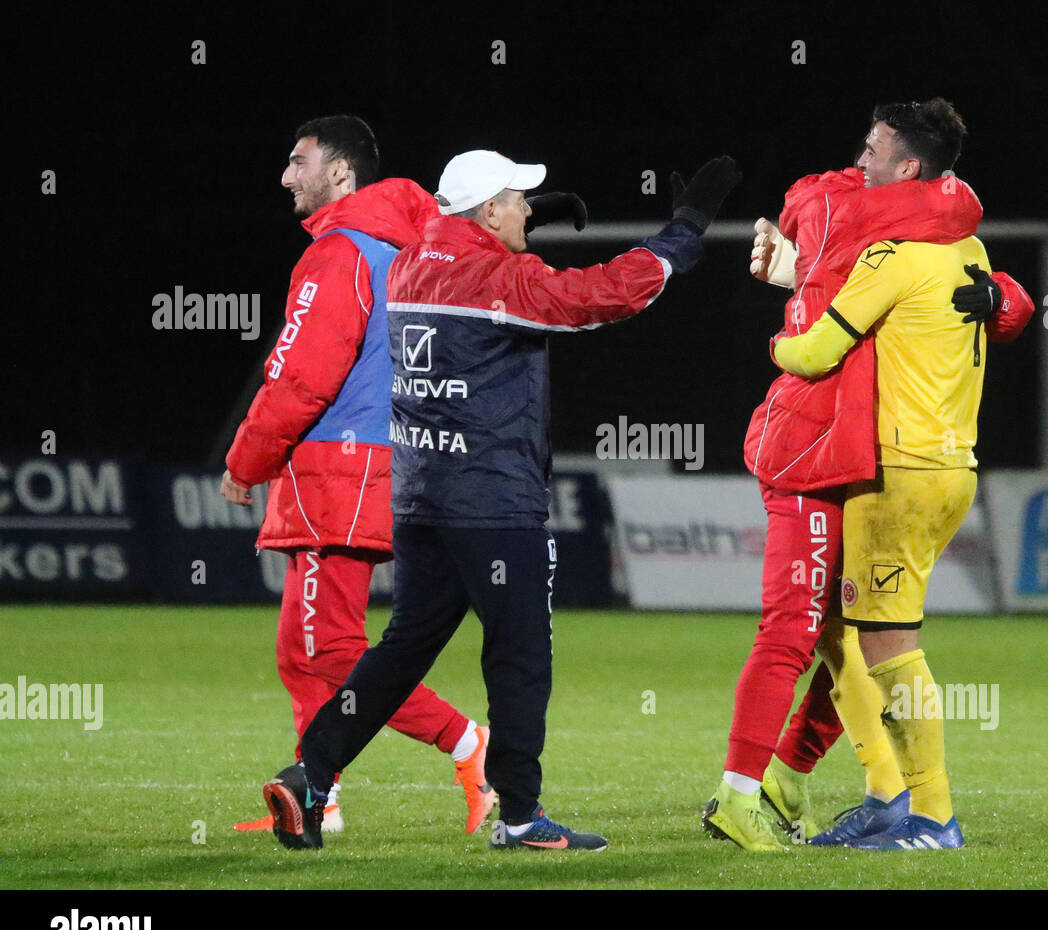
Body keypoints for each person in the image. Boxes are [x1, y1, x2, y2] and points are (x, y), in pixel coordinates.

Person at [261, 149, 741, 852]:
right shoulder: (499, 279)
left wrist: (521, 220)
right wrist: (683, 234)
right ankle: (520, 816)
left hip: (421, 501)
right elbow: (602, 295)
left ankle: (311, 771)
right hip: (493, 504)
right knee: (519, 656)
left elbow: (472, 253)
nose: (527, 210)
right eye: (519, 199)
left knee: (399, 652)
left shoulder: (412, 263)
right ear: (488, 211)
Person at [703, 99, 1033, 851]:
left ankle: (924, 812)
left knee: (867, 639)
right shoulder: (969, 249)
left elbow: (818, 348)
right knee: (838, 627)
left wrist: (782, 335)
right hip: (953, 469)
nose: (861, 161)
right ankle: (852, 787)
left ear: (908, 169)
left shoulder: (888, 254)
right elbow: (1009, 302)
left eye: (873, 149)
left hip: (890, 466)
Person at [222, 115, 498, 836]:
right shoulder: (396, 249)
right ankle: (318, 798)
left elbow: (301, 377)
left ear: (341, 173)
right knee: (300, 647)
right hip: (374, 462)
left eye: (298, 161)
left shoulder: (340, 251)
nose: (287, 177)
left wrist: (246, 459)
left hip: (337, 468)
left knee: (330, 647)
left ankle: (470, 745)